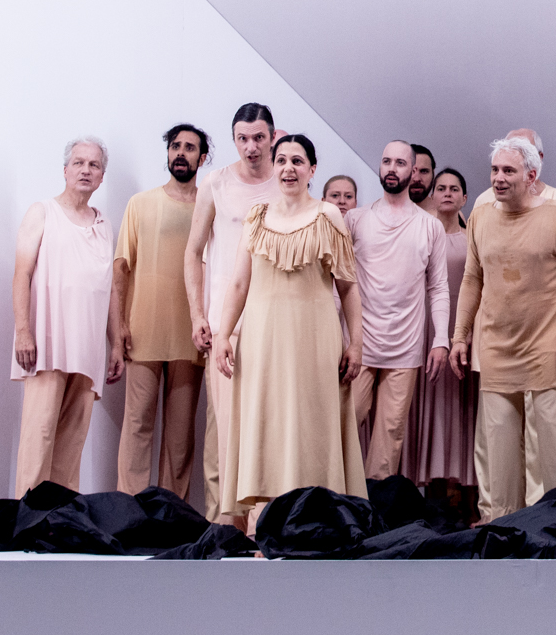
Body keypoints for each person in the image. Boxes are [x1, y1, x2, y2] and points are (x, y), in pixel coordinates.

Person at [212, 134, 366, 526]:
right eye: (281, 160)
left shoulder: (328, 215)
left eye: (297, 161)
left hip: (314, 341)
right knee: (267, 426)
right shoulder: (257, 216)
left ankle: (314, 524)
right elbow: (239, 284)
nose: (288, 168)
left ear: (312, 169)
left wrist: (356, 343)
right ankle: (268, 526)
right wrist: (222, 335)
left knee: (311, 426)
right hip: (261, 341)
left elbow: (348, 287)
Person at [451, 136, 556, 520]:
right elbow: (472, 279)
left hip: (548, 347)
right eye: (495, 169)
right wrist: (460, 336)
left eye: (508, 170)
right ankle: (503, 525)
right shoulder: (480, 217)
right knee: (499, 454)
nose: (498, 177)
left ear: (531, 175)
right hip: (497, 348)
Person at [183, 103, 279, 522]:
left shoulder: (286, 182)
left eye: (258, 137)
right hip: (226, 322)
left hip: (274, 319)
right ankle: (224, 521)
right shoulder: (216, 183)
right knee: (223, 425)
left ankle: (264, 521)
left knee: (268, 425)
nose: (251, 147)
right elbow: (193, 252)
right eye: (242, 138)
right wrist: (197, 315)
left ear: (272, 137)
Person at [11, 138, 116, 495]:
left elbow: (109, 288)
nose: (86, 170)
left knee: (71, 445)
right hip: (48, 343)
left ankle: (60, 518)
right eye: (79, 163)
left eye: (94, 165)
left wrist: (116, 344)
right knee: (38, 437)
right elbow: (21, 273)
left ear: (102, 176)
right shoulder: (42, 212)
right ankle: (26, 515)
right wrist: (23, 331)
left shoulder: (104, 225)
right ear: (66, 170)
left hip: (87, 350)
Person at [109, 124, 209, 497]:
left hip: (190, 334)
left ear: (202, 158)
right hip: (143, 330)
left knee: (180, 436)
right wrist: (119, 327)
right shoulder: (141, 203)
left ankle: (171, 512)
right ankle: (129, 507)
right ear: (168, 153)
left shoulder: (210, 208)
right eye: (175, 146)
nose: (181, 152)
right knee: (137, 425)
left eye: (190, 147)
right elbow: (121, 266)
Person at [346, 140, 451, 480]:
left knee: (389, 436)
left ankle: (374, 507)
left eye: (400, 163)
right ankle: (337, 502)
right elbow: (339, 283)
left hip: (405, 348)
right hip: (359, 344)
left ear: (413, 171)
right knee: (344, 424)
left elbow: (438, 287)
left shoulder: (430, 226)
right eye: (386, 161)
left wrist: (441, 339)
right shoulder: (356, 219)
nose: (392, 168)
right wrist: (340, 336)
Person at [403, 168, 480, 508]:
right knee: (427, 408)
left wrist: (470, 331)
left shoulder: (473, 239)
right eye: (441, 188)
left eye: (454, 188)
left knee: (462, 411)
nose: (447, 193)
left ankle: (465, 498)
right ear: (432, 196)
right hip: (427, 333)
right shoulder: (420, 235)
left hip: (462, 333)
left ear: (464, 198)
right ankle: (429, 498)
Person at [467, 129, 556, 214]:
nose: (515, 156)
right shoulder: (484, 201)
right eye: (510, 149)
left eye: (525, 151)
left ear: (539, 158)